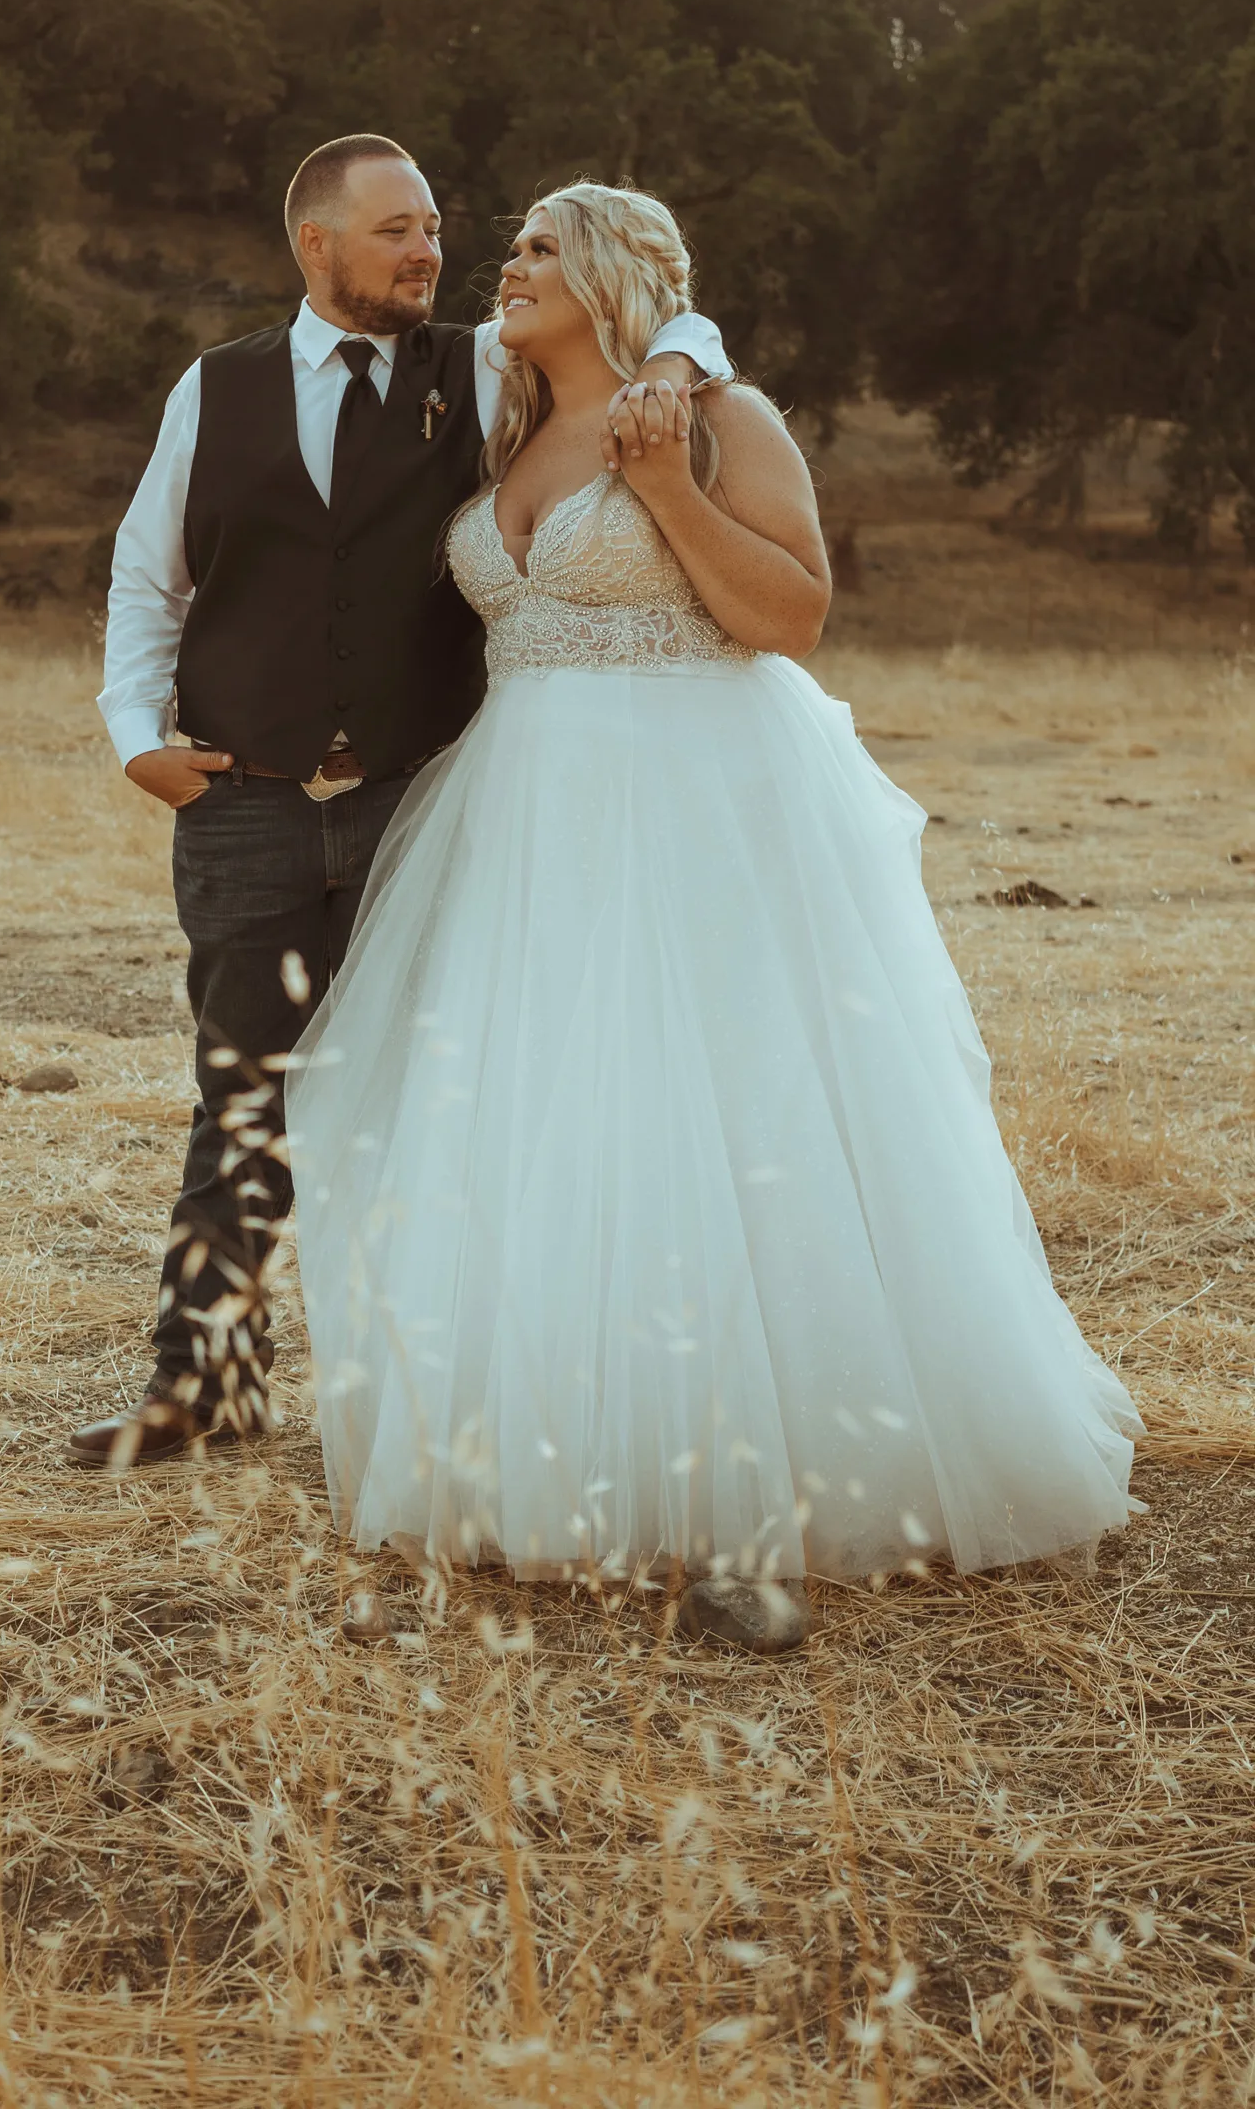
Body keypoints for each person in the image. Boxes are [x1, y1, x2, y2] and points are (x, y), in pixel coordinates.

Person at [286, 181, 1141, 1651]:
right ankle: (561, 1461)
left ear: (612, 271)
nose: (511, 266)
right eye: (514, 249)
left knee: (725, 1122)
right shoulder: (499, 410)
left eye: (545, 249)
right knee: (553, 1117)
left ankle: (754, 1501)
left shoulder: (721, 417)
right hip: (526, 819)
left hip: (692, 804)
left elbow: (793, 616)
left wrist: (670, 481)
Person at [69, 138, 729, 1469]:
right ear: (316, 243)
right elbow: (153, 580)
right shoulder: (217, 390)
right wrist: (135, 734)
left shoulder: (482, 365)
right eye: (395, 233)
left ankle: (452, 1395)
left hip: (415, 806)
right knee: (242, 1092)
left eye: (434, 229)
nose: (428, 254)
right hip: (244, 802)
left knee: (443, 1092)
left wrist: (670, 365)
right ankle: (203, 1387)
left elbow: (661, 309)